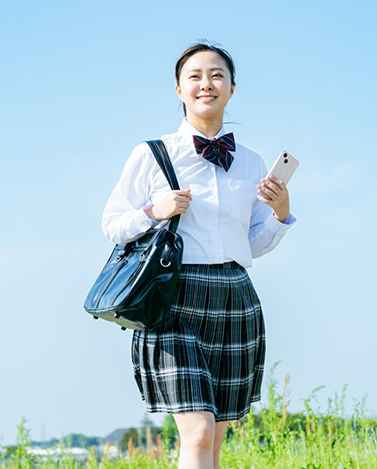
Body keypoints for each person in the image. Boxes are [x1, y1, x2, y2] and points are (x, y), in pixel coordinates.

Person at [101, 42, 295, 469]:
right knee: (199, 431)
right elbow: (113, 224)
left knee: (216, 437)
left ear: (231, 88)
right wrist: (156, 211)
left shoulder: (251, 161)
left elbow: (251, 245)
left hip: (234, 297)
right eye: (195, 76)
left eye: (217, 75)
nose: (206, 83)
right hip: (172, 297)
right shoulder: (153, 154)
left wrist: (280, 214)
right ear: (178, 90)